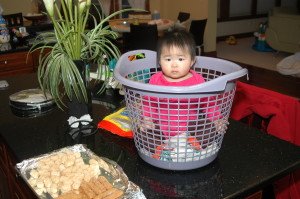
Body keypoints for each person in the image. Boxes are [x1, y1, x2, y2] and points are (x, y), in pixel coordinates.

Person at [142, 28, 227, 138]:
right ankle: (160, 147)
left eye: (180, 59)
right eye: (168, 59)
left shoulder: (197, 80)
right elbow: (149, 103)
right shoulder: (155, 80)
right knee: (144, 132)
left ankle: (197, 145)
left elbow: (208, 103)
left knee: (207, 131)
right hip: (161, 129)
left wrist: (217, 119)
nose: (174, 65)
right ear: (159, 61)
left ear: (192, 61)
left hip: (190, 131)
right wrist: (147, 119)